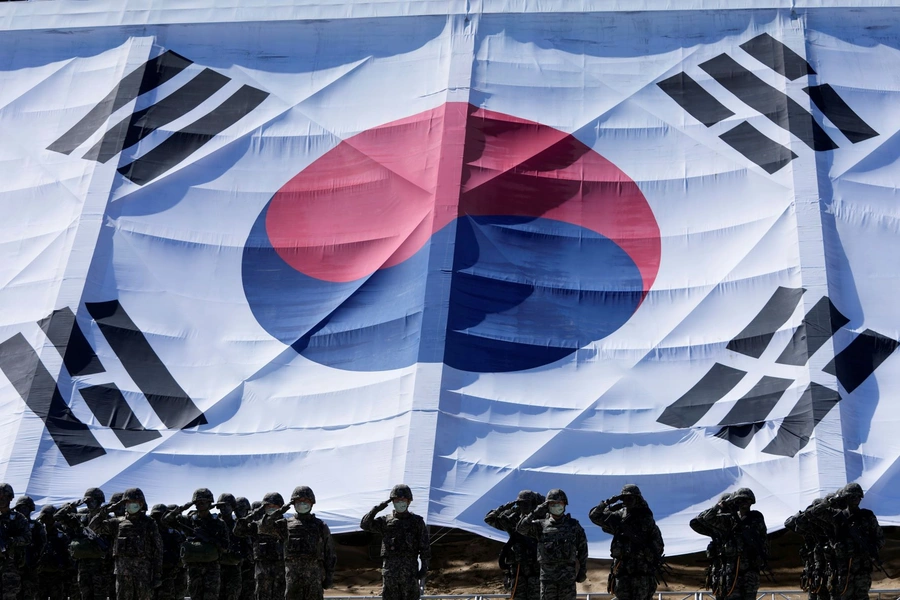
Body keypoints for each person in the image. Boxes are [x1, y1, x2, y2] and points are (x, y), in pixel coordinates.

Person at [692, 488, 767, 600]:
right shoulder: (728, 520)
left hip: (750, 570)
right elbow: (703, 519)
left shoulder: (756, 519)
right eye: (740, 500)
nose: (744, 504)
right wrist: (720, 506)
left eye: (747, 500)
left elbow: (763, 541)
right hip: (730, 572)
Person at [262, 486, 336, 600]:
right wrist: (281, 510)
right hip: (292, 578)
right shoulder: (285, 524)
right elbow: (264, 527)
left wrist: (329, 577)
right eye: (298, 501)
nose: (302, 504)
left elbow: (330, 553)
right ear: (293, 503)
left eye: (305, 501)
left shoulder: (321, 526)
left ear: (312, 503)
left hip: (314, 579)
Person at [812, 483, 884, 600]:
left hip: (862, 568)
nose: (855, 499)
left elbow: (880, 538)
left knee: (862, 597)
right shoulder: (837, 516)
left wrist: (872, 549)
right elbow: (815, 513)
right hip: (843, 569)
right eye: (852, 496)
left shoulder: (867, 516)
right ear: (845, 498)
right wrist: (831, 500)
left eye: (858, 497)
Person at [90, 488, 163, 600]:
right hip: (122, 575)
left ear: (141, 504)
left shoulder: (149, 523)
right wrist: (107, 510)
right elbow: (93, 527)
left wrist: (157, 574)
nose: (131, 505)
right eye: (128, 502)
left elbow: (158, 549)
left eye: (134, 502)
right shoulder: (117, 523)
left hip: (143, 575)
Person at [360, 484, 430, 600]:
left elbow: (425, 547)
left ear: (409, 501)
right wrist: (376, 508)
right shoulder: (385, 521)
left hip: (410, 571)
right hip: (390, 572)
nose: (400, 502)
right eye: (397, 499)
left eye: (403, 499)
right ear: (392, 501)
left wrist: (424, 567)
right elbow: (365, 524)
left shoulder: (417, 522)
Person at [516, 489, 588, 600]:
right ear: (547, 506)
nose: (556, 506)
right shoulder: (540, 525)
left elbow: (583, 548)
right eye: (553, 504)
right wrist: (536, 511)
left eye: (559, 503)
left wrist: (583, 569)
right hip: (547, 578)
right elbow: (521, 529)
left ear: (565, 504)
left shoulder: (573, 525)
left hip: (567, 577)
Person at [164, 488, 230, 600]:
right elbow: (166, 520)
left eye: (203, 502)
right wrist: (183, 508)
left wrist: (210, 539)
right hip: (193, 568)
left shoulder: (218, 523)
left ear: (210, 502)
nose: (200, 505)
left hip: (212, 568)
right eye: (198, 502)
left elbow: (225, 547)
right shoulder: (189, 520)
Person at [484, 490, 545, 600]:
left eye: (527, 503)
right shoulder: (513, 519)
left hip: (535, 566)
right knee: (517, 595)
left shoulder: (541, 520)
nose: (524, 506)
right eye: (521, 503)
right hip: (517, 565)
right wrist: (505, 507)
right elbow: (489, 519)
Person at [56, 487, 112, 600]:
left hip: (101, 567)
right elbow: (58, 517)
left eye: (93, 501)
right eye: (88, 502)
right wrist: (72, 506)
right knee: (85, 595)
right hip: (84, 566)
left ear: (100, 501)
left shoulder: (108, 519)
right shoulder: (82, 519)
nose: (90, 504)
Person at [234, 492, 286, 600]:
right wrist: (253, 514)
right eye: (268, 506)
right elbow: (238, 531)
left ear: (280, 507)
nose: (271, 508)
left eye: (274, 506)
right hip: (262, 577)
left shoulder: (288, 524)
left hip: (281, 576)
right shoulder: (257, 525)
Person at [784, 497, 831, 600]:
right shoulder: (808, 525)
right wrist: (805, 512)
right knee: (813, 591)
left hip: (826, 564)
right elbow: (788, 523)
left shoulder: (828, 523)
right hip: (812, 565)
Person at [691, 493, 731, 600]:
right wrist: (717, 507)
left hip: (733, 565)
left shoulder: (734, 521)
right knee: (720, 592)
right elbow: (695, 521)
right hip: (719, 565)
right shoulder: (714, 524)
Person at [0, 483, 30, 600]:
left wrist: (11, 541)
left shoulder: (18, 518)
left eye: (4, 498)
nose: (1, 501)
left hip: (10, 566)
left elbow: (27, 538)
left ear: (10, 498)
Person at [35, 505, 73, 600]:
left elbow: (67, 554)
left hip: (57, 575)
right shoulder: (37, 534)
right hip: (40, 574)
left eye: (50, 518)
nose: (48, 521)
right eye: (46, 518)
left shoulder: (61, 536)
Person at [149, 504, 186, 600]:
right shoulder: (147, 534)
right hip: (150, 575)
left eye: (160, 516)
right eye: (155, 516)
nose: (158, 520)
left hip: (169, 575)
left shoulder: (173, 534)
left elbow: (181, 555)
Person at [14, 495, 46, 600]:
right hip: (14, 565)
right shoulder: (12, 524)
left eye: (25, 508)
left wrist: (36, 557)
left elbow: (42, 543)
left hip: (30, 565)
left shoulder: (36, 525)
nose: (23, 510)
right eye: (21, 508)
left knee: (29, 593)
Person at [216, 493, 244, 600]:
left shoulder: (237, 526)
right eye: (220, 506)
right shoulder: (214, 525)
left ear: (233, 507)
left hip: (233, 569)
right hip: (215, 568)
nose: (223, 509)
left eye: (226, 505)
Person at [234, 498, 256, 600]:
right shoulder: (231, 525)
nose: (240, 511)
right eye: (237, 509)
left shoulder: (252, 526)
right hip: (233, 567)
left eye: (242, 509)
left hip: (249, 568)